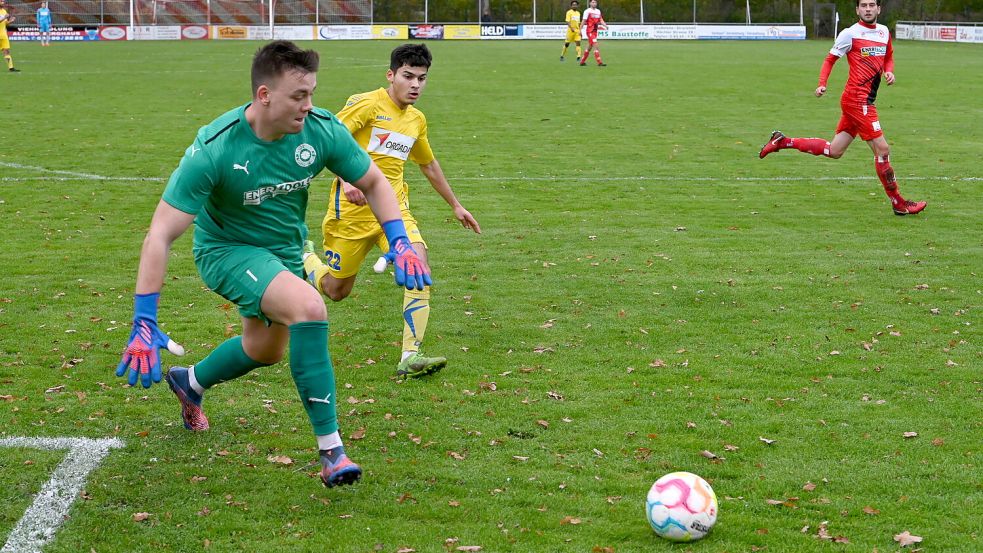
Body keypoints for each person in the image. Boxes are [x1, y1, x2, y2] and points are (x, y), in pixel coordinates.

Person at [115, 41, 431, 489]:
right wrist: (144, 318)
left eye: (311, 94)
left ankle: (190, 381)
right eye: (297, 96)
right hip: (226, 251)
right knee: (310, 307)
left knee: (266, 350)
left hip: (282, 250)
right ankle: (331, 452)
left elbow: (375, 180)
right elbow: (160, 234)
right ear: (264, 95)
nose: (308, 105)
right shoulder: (214, 147)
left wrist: (398, 239)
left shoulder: (320, 130)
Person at [303, 43, 481, 381]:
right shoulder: (368, 105)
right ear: (391, 75)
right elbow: (327, 139)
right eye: (408, 76)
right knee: (337, 291)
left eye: (422, 78)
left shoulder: (416, 120)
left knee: (418, 264)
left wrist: (456, 205)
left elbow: (428, 165)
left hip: (394, 213)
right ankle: (306, 260)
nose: (415, 85)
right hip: (350, 217)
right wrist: (346, 179)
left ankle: (410, 355)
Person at [758, 0, 926, 216]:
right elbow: (830, 60)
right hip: (858, 101)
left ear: (878, 9)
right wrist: (822, 83)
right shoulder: (850, 34)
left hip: (861, 101)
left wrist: (889, 71)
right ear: (857, 10)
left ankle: (783, 141)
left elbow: (888, 56)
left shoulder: (884, 32)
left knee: (835, 151)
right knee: (883, 150)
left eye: (871, 5)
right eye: (863, 5)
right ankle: (898, 203)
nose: (867, 8)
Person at [579, 0, 606, 67]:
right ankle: (599, 62)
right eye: (593, 2)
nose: (594, 3)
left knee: (590, 47)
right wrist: (580, 29)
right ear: (590, 3)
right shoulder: (587, 11)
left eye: (595, 2)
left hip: (595, 31)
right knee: (596, 45)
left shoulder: (598, 11)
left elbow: (601, 20)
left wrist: (605, 25)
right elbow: (583, 21)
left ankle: (582, 62)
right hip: (590, 31)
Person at [0, 0, 19, 72]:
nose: (3, 2)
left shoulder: (4, 11)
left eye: (3, 1)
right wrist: (4, 18)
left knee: (7, 51)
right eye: (1, 1)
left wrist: (10, 21)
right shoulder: (4, 14)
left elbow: (5, 24)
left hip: (3, 35)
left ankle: (11, 68)